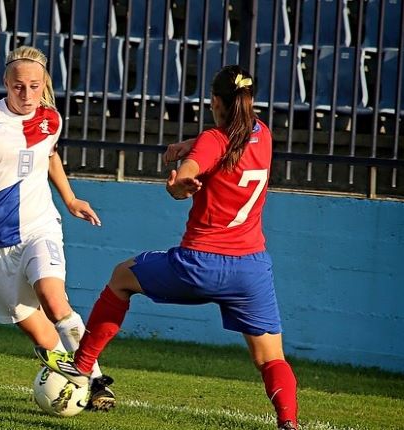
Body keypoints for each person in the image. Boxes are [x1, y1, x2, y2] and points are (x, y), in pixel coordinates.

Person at [35, 65, 299, 429]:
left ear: (214, 101)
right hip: (250, 270)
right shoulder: (263, 134)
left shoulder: (213, 140)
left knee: (121, 277)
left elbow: (192, 169)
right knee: (271, 358)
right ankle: (288, 422)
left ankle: (82, 367)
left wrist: (179, 185)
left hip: (201, 264)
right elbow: (223, 145)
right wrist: (187, 147)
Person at [0, 45, 115, 411]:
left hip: (39, 226)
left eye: (33, 86)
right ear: (5, 84)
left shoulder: (50, 119)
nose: (26, 94)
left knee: (54, 299)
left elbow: (50, 155)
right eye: (17, 87)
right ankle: (74, 382)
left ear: (43, 83)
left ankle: (95, 382)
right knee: (40, 333)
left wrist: (71, 199)